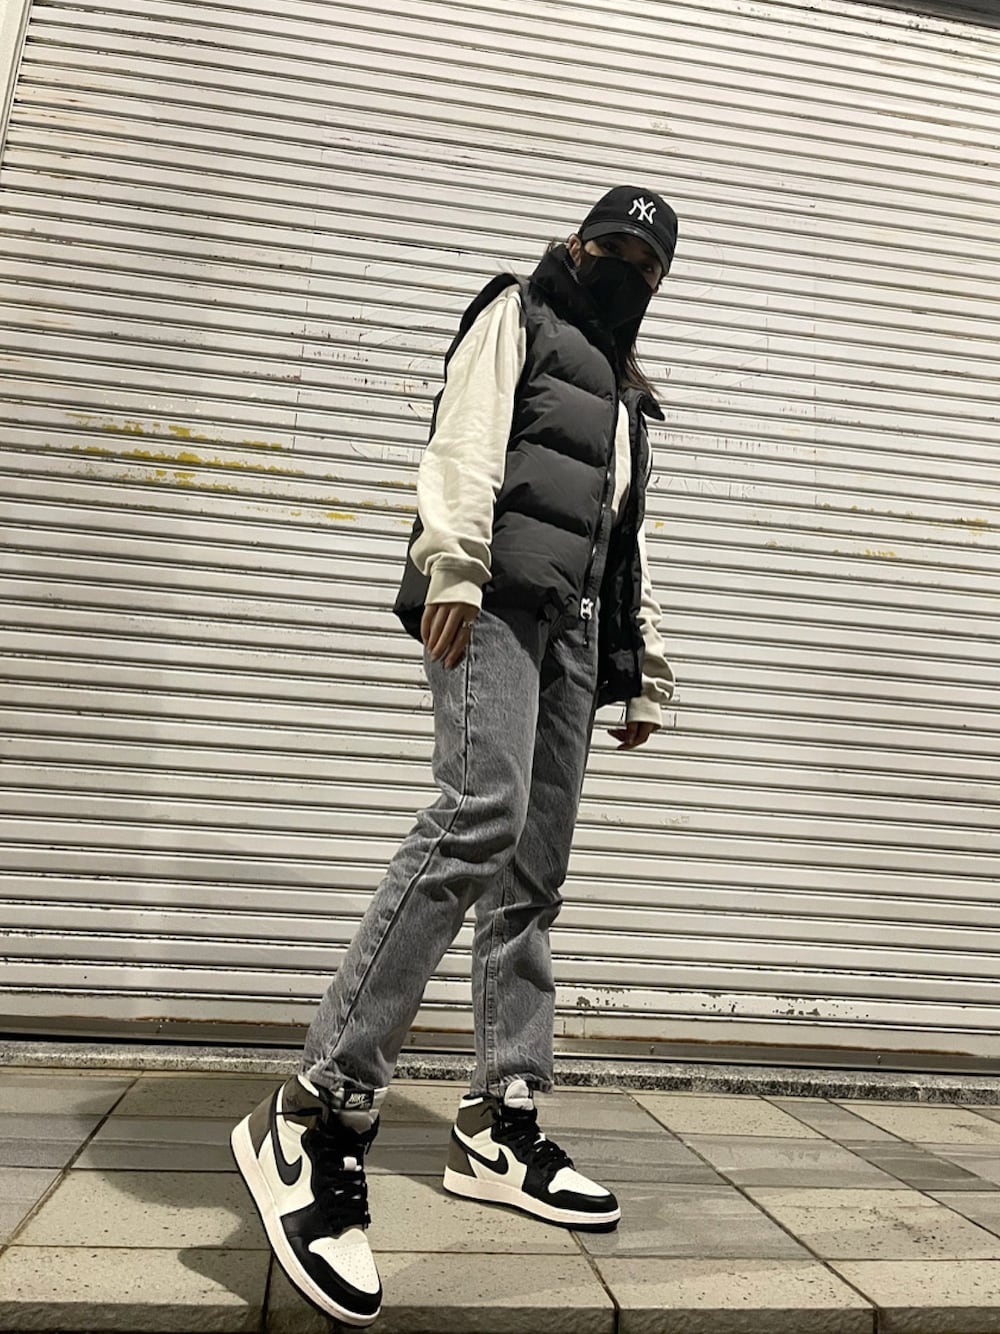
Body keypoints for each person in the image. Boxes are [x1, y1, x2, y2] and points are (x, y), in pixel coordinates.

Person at [230, 185, 678, 1326]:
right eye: (614, 247)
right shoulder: (519, 312)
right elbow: (465, 439)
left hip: (573, 631)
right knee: (477, 815)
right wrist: (454, 565)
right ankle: (317, 1107)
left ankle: (498, 1120)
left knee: (534, 875)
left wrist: (642, 665)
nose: (627, 269)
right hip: (492, 604)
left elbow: (621, 539)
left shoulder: (628, 397)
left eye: (648, 263)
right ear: (576, 242)